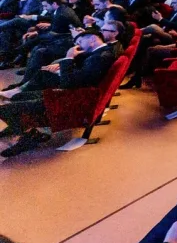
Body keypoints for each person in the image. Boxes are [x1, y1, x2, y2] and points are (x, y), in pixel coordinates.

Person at [0, 27, 117, 157]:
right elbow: (82, 73)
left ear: (92, 40)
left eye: (80, 43)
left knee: (4, 109)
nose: (78, 47)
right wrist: (64, 64)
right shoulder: (101, 53)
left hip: (71, 98)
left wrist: (68, 58)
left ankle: (30, 136)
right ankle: (19, 126)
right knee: (18, 97)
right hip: (76, 93)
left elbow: (68, 83)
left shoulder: (100, 57)